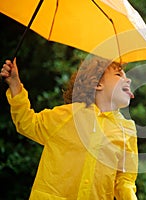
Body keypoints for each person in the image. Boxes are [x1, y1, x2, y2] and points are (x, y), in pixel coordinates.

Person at [1, 56, 138, 200]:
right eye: (119, 74)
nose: (128, 80)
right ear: (97, 84)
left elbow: (124, 180)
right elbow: (28, 123)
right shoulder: (68, 115)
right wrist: (15, 85)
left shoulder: (127, 131)